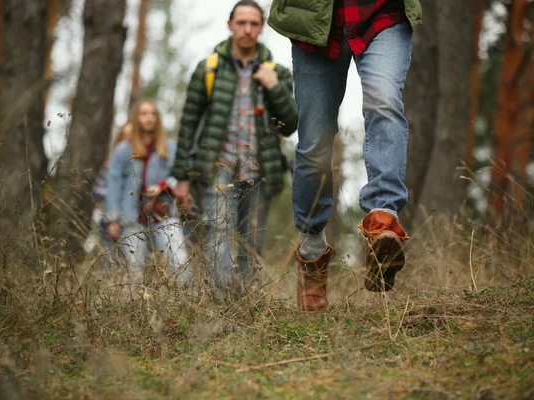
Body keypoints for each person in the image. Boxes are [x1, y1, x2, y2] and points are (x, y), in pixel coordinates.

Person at [268, 0, 422, 310]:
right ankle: (312, 252)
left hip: (382, 13)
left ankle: (383, 221)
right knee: (315, 143)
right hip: (314, 20)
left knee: (385, 102)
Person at [172, 0, 298, 290]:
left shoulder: (276, 73)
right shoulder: (208, 69)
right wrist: (181, 178)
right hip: (218, 167)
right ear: (230, 25)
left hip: (260, 169)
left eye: (254, 24)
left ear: (261, 28)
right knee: (218, 231)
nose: (247, 29)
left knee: (252, 238)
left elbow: (291, 124)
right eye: (241, 23)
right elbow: (188, 124)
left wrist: (274, 87)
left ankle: (245, 304)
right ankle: (219, 300)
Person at [105, 100, 190, 286]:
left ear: (157, 119)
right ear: (137, 118)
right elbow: (113, 184)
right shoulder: (122, 150)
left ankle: (188, 305)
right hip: (131, 217)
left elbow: (180, 175)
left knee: (179, 260)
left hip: (163, 214)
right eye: (144, 113)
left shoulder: (169, 147)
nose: (148, 118)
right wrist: (113, 218)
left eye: (152, 114)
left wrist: (162, 185)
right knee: (134, 270)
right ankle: (137, 310)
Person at [84, 124, 134, 254]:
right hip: (107, 210)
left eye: (132, 136)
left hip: (129, 214)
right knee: (105, 242)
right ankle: (90, 254)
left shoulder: (138, 166)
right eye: (126, 136)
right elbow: (98, 191)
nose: (128, 140)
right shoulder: (110, 165)